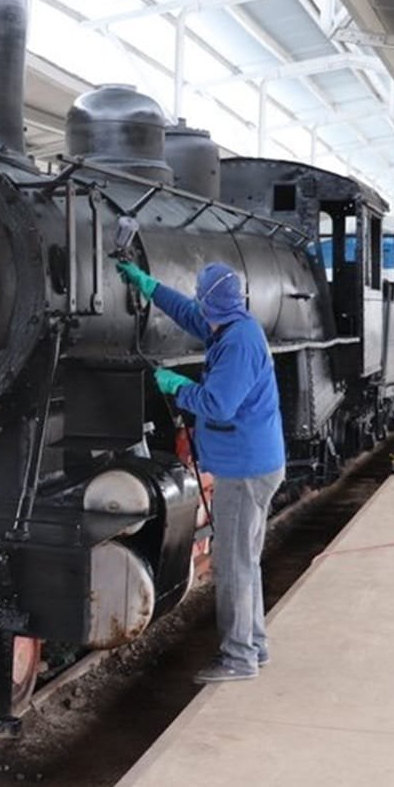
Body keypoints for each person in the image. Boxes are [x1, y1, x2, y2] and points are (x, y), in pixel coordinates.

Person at [117, 259, 285, 683]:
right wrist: (149, 286)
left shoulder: (239, 344)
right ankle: (255, 647)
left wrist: (178, 387)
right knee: (246, 560)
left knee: (232, 565)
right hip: (250, 463)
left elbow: (218, 404)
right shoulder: (231, 325)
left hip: (246, 471)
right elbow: (189, 314)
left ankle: (239, 658)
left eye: (199, 296)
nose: (197, 305)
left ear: (212, 302)